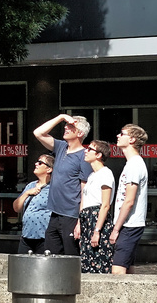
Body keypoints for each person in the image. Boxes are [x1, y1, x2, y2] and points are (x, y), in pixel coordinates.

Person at [32, 113, 91, 255]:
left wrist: (80, 220)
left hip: (71, 215)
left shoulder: (84, 156)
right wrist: (61, 117)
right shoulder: (61, 147)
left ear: (80, 133)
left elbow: (85, 190)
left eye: (71, 127)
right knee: (51, 256)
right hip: (55, 213)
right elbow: (38, 133)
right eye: (66, 125)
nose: (66, 127)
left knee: (71, 257)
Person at [108, 125, 149, 275]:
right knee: (128, 268)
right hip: (128, 224)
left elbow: (129, 201)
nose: (118, 136)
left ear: (132, 139)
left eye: (122, 133)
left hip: (129, 225)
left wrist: (116, 229)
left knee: (117, 271)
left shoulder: (135, 165)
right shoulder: (131, 164)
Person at [77, 141, 115, 274]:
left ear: (98, 155)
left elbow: (105, 204)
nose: (85, 151)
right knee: (86, 259)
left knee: (99, 259)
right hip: (87, 218)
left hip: (97, 217)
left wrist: (97, 230)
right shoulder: (92, 175)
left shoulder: (105, 173)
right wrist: (79, 224)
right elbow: (84, 200)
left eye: (90, 149)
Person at [12, 154, 54, 254]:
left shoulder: (54, 187)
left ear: (49, 169)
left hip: (44, 236)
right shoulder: (30, 185)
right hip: (27, 235)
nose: (36, 164)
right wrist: (26, 193)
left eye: (40, 163)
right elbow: (16, 208)